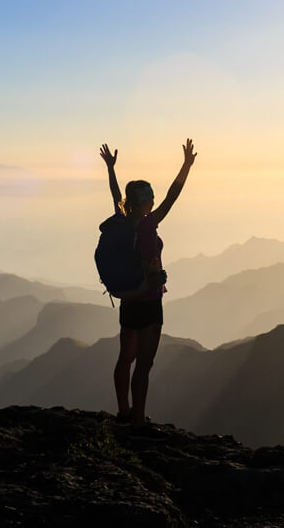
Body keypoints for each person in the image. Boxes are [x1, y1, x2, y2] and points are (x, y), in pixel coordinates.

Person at [100, 139, 197, 438]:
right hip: (150, 298)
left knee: (124, 359)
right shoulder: (147, 224)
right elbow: (172, 197)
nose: (153, 204)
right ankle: (138, 422)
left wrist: (111, 169)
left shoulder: (121, 220)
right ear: (145, 202)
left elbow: (116, 195)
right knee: (143, 365)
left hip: (129, 299)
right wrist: (186, 167)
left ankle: (123, 411)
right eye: (150, 200)